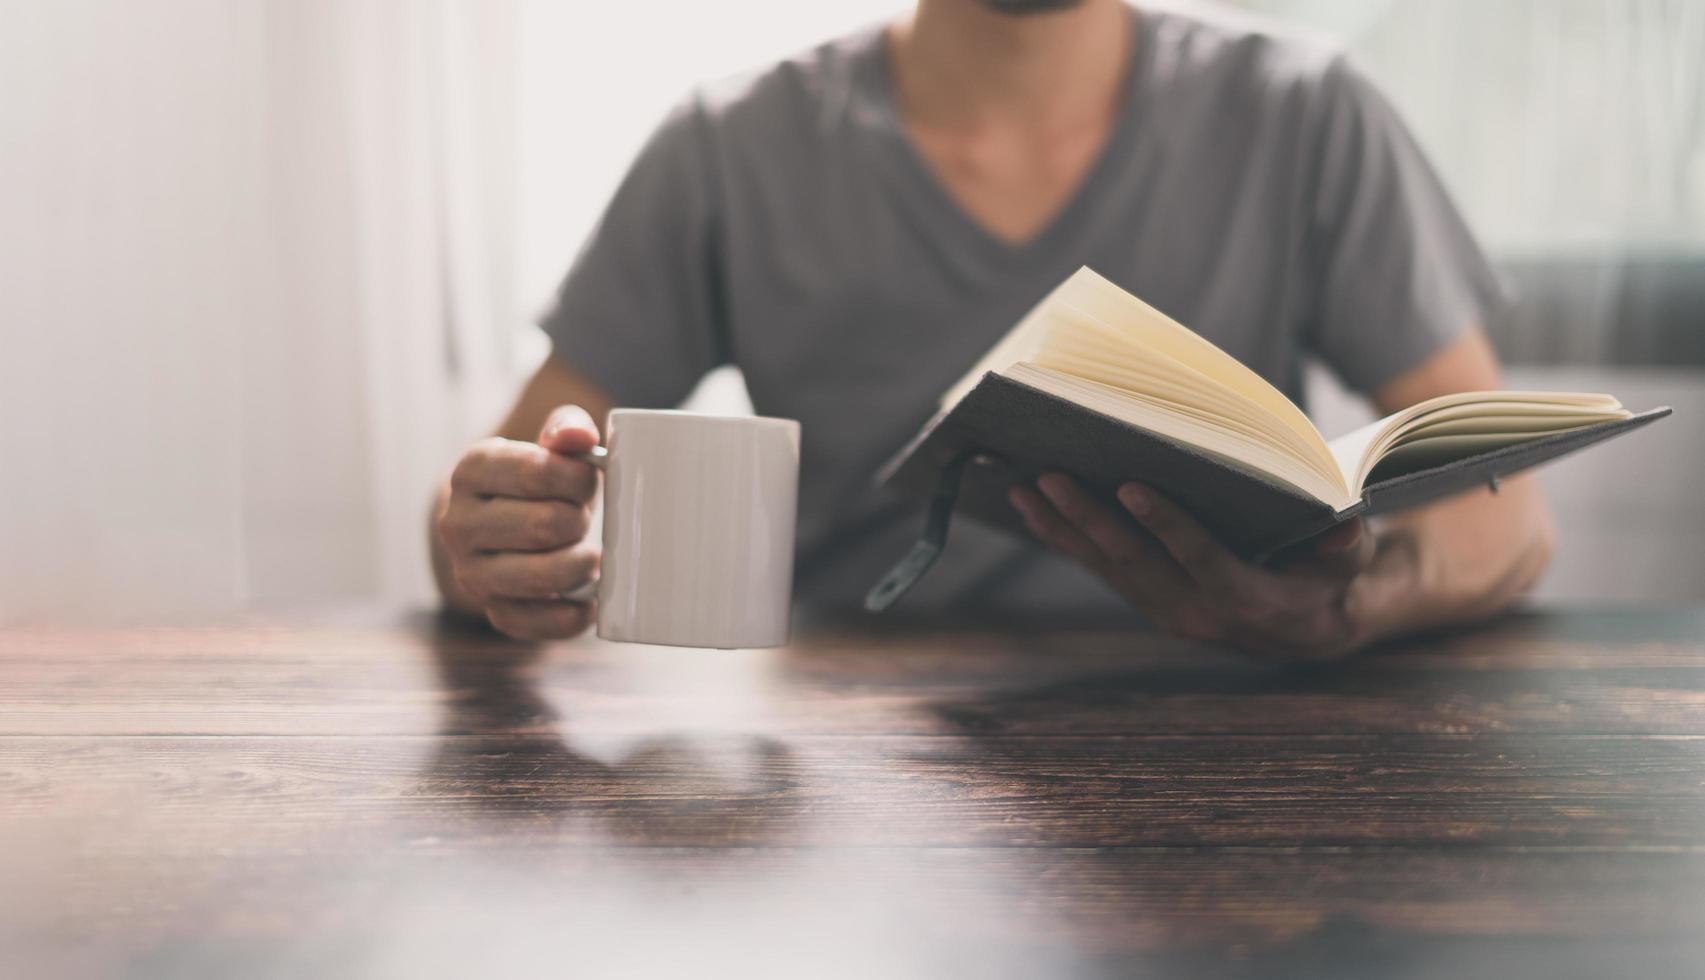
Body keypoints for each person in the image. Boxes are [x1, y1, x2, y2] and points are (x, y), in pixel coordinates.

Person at [431, 0, 1555, 659]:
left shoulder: (1306, 117)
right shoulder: (729, 146)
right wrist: (481, 536)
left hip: (1225, 732)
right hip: (836, 769)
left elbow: (1504, 525)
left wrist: (1339, 611)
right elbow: (495, 502)